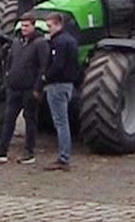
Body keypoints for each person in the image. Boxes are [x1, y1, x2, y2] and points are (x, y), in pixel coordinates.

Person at [0, 15, 49, 164]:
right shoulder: (16, 43)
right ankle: (1, 151)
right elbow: (9, 62)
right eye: (22, 25)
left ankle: (29, 152)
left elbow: (43, 68)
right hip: (14, 89)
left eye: (27, 26)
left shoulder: (40, 44)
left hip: (29, 89)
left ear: (34, 26)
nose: (24, 28)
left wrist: (37, 88)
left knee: (30, 121)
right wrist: (8, 80)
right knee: (8, 120)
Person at [42, 11, 80, 170]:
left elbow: (58, 65)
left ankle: (64, 157)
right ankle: (64, 155)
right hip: (68, 84)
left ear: (58, 24)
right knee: (62, 121)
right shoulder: (71, 41)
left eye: (50, 26)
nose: (48, 29)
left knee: (60, 122)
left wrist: (46, 76)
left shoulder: (59, 42)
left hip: (57, 85)